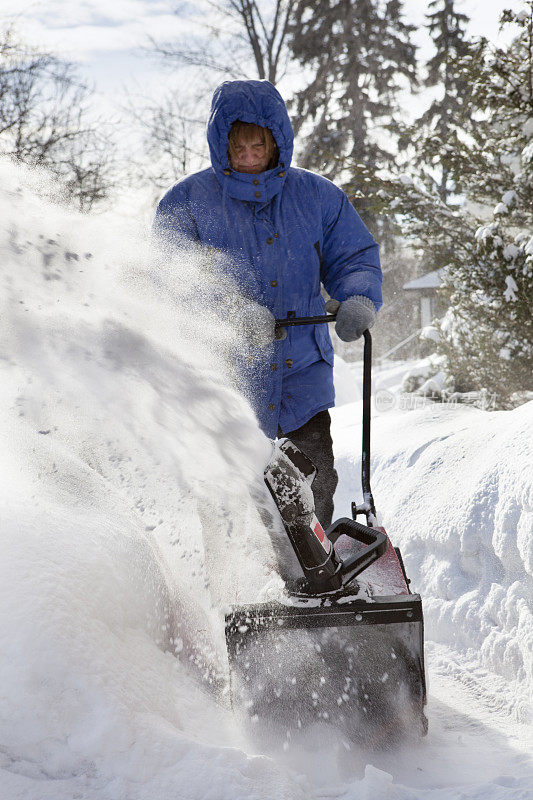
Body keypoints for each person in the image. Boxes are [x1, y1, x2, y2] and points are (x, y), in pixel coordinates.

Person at [153, 79, 382, 528]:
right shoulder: (188, 202)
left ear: (278, 140)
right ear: (223, 146)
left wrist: (357, 295)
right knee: (234, 496)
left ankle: (320, 582)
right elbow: (170, 279)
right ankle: (245, 583)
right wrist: (230, 313)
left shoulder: (317, 196)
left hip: (303, 375)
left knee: (315, 485)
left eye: (260, 144)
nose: (251, 156)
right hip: (228, 378)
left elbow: (353, 254)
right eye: (240, 147)